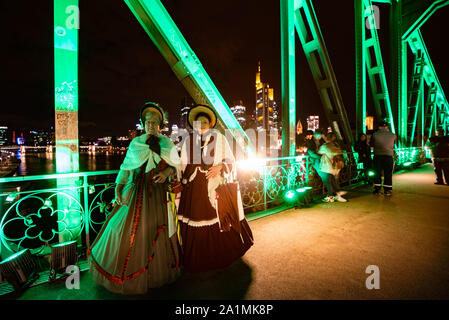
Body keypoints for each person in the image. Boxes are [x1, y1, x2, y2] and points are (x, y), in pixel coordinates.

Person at [88, 102, 182, 294]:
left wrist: (167, 173)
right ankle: (134, 275)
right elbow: (126, 168)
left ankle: (154, 274)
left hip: (158, 194)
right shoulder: (135, 143)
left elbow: (177, 167)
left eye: (155, 122)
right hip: (136, 192)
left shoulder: (167, 143)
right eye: (147, 121)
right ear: (143, 123)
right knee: (129, 230)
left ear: (160, 124)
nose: (150, 124)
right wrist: (119, 188)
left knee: (157, 230)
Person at [177, 104, 254, 273]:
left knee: (217, 215)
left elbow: (231, 160)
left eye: (205, 122)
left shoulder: (219, 138)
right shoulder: (189, 140)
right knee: (196, 216)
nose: (202, 125)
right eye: (199, 122)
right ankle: (197, 258)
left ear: (210, 124)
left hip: (214, 184)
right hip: (194, 185)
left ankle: (220, 254)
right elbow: (181, 164)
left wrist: (219, 167)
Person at [318, 132, 347, 202]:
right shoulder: (335, 146)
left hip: (326, 166)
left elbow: (319, 152)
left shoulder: (325, 146)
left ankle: (331, 196)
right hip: (335, 167)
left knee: (327, 182)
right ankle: (337, 193)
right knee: (332, 181)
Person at [370, 120, 397, 196]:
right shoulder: (393, 135)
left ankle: (377, 190)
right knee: (388, 173)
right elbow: (393, 145)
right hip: (388, 156)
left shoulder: (375, 134)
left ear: (379, 127)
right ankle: (387, 190)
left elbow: (371, 144)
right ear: (387, 127)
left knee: (377, 173)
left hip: (378, 156)